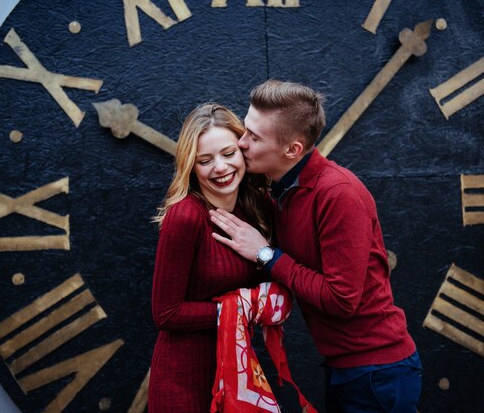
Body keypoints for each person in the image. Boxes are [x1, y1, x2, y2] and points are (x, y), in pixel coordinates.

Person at [209, 80, 422, 413]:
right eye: (245, 130)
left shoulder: (339, 195)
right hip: (349, 368)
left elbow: (341, 300)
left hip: (377, 373)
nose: (241, 143)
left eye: (254, 137)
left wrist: (266, 254)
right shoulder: (283, 190)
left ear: (292, 150)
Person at [148, 103, 272, 413]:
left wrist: (264, 256)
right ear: (191, 165)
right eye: (205, 160)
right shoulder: (186, 216)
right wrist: (237, 310)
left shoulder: (256, 210)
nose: (220, 168)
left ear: (243, 151)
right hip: (184, 382)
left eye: (228, 154)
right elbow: (166, 313)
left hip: (236, 376)